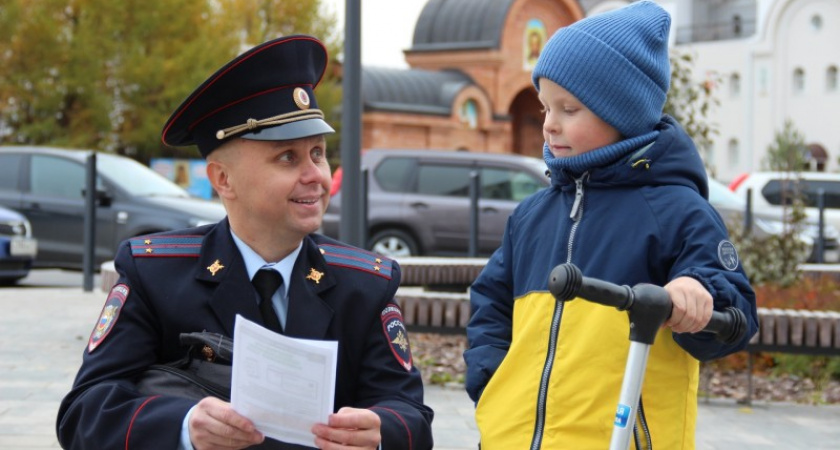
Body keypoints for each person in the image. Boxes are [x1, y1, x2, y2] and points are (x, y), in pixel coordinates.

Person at [56, 35, 434, 450]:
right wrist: (184, 427)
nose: (315, 175)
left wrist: (380, 433)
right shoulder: (155, 273)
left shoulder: (364, 284)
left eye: (318, 153)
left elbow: (410, 415)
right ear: (223, 179)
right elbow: (83, 414)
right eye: (287, 157)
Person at [463, 2, 758, 449]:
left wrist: (697, 294)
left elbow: (735, 311)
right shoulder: (532, 215)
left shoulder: (677, 210)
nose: (550, 125)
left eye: (569, 108)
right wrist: (491, 382)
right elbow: (491, 300)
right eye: (545, 108)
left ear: (623, 113)